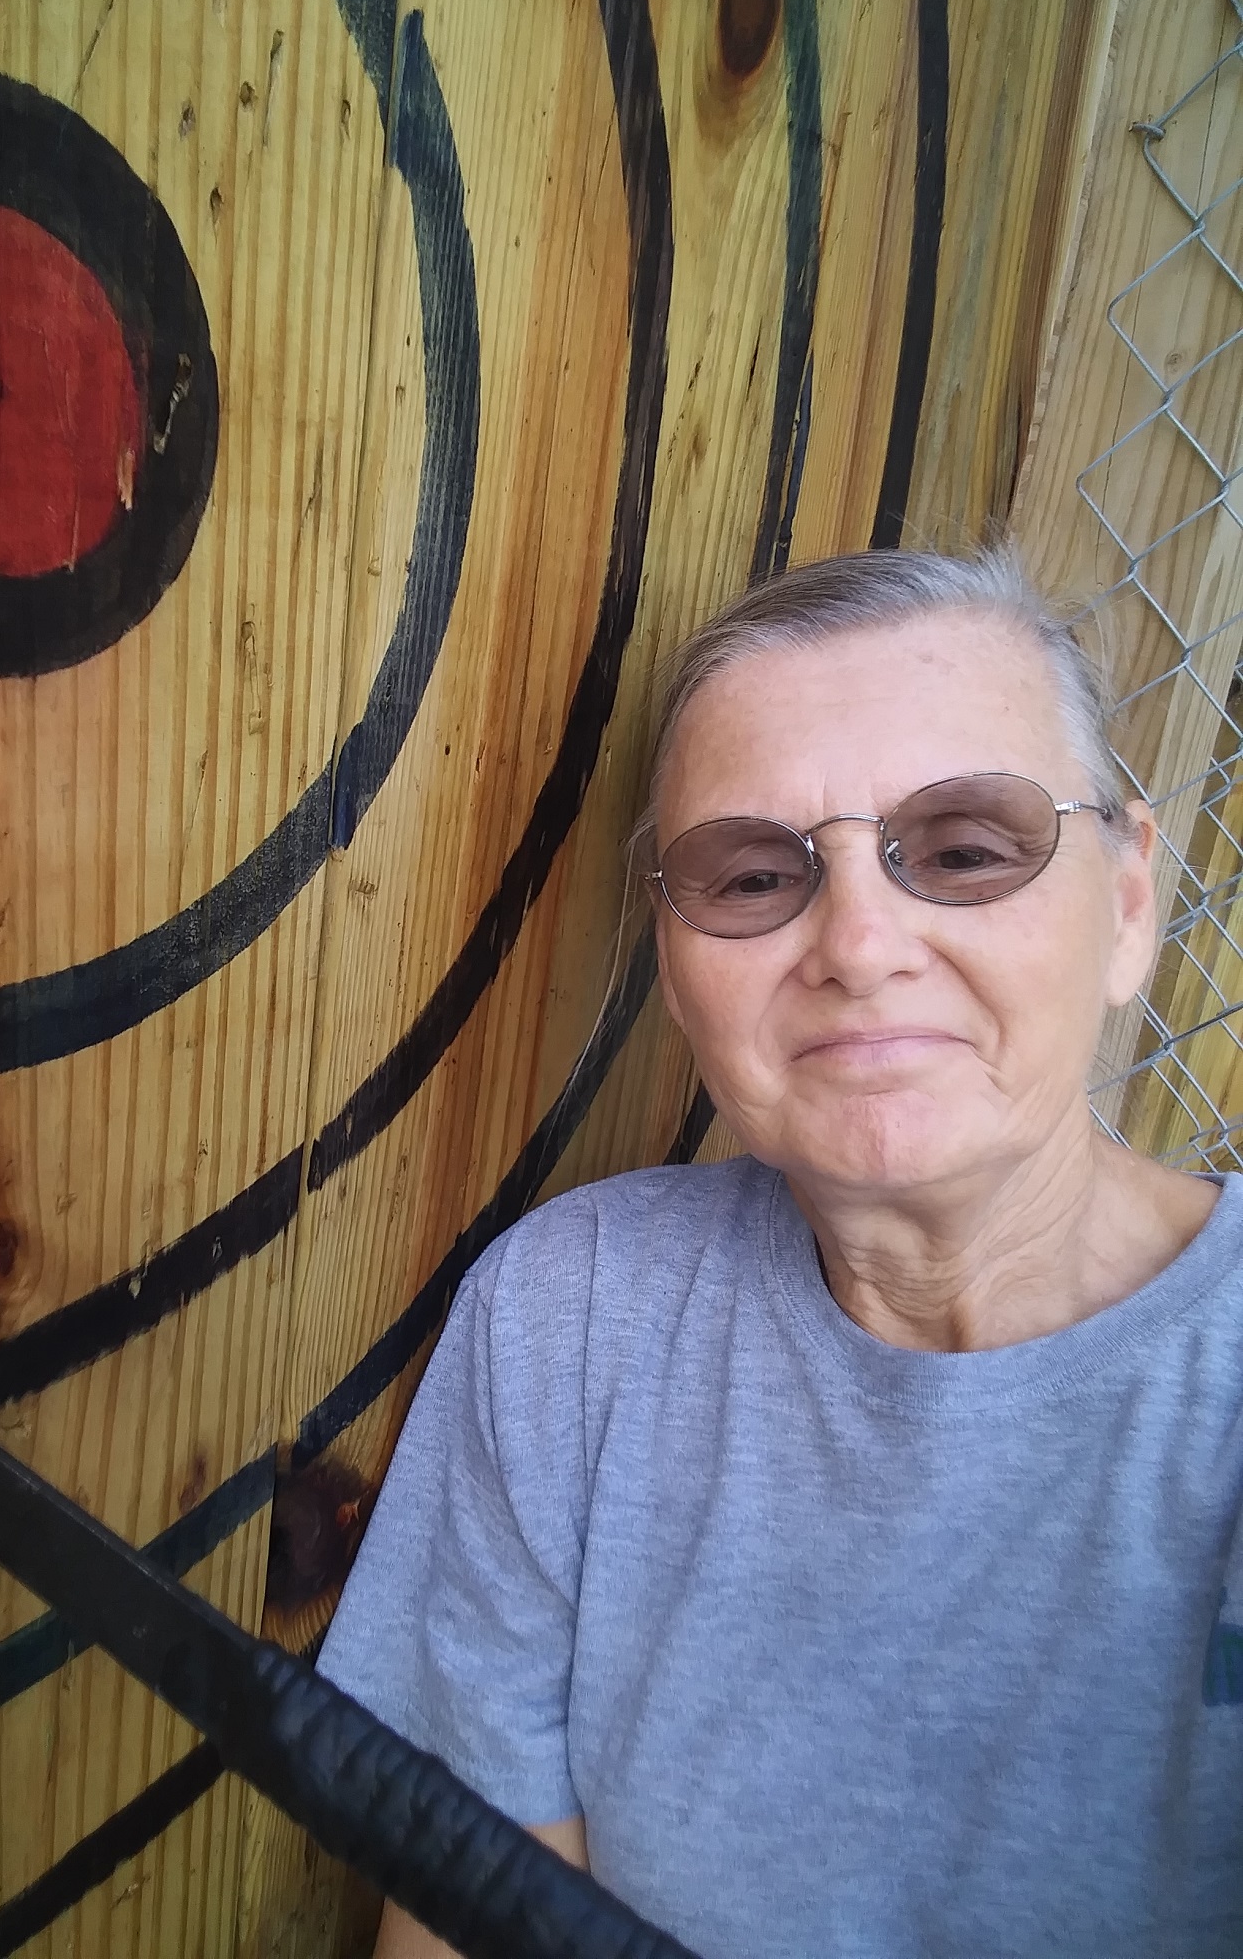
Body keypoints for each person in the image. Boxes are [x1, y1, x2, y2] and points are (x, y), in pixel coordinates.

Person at [316, 548, 1243, 1958]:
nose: (860, 945)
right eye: (755, 875)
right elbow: (476, 1915)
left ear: (1128, 904)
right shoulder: (570, 1325)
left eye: (967, 849)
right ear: (677, 980)